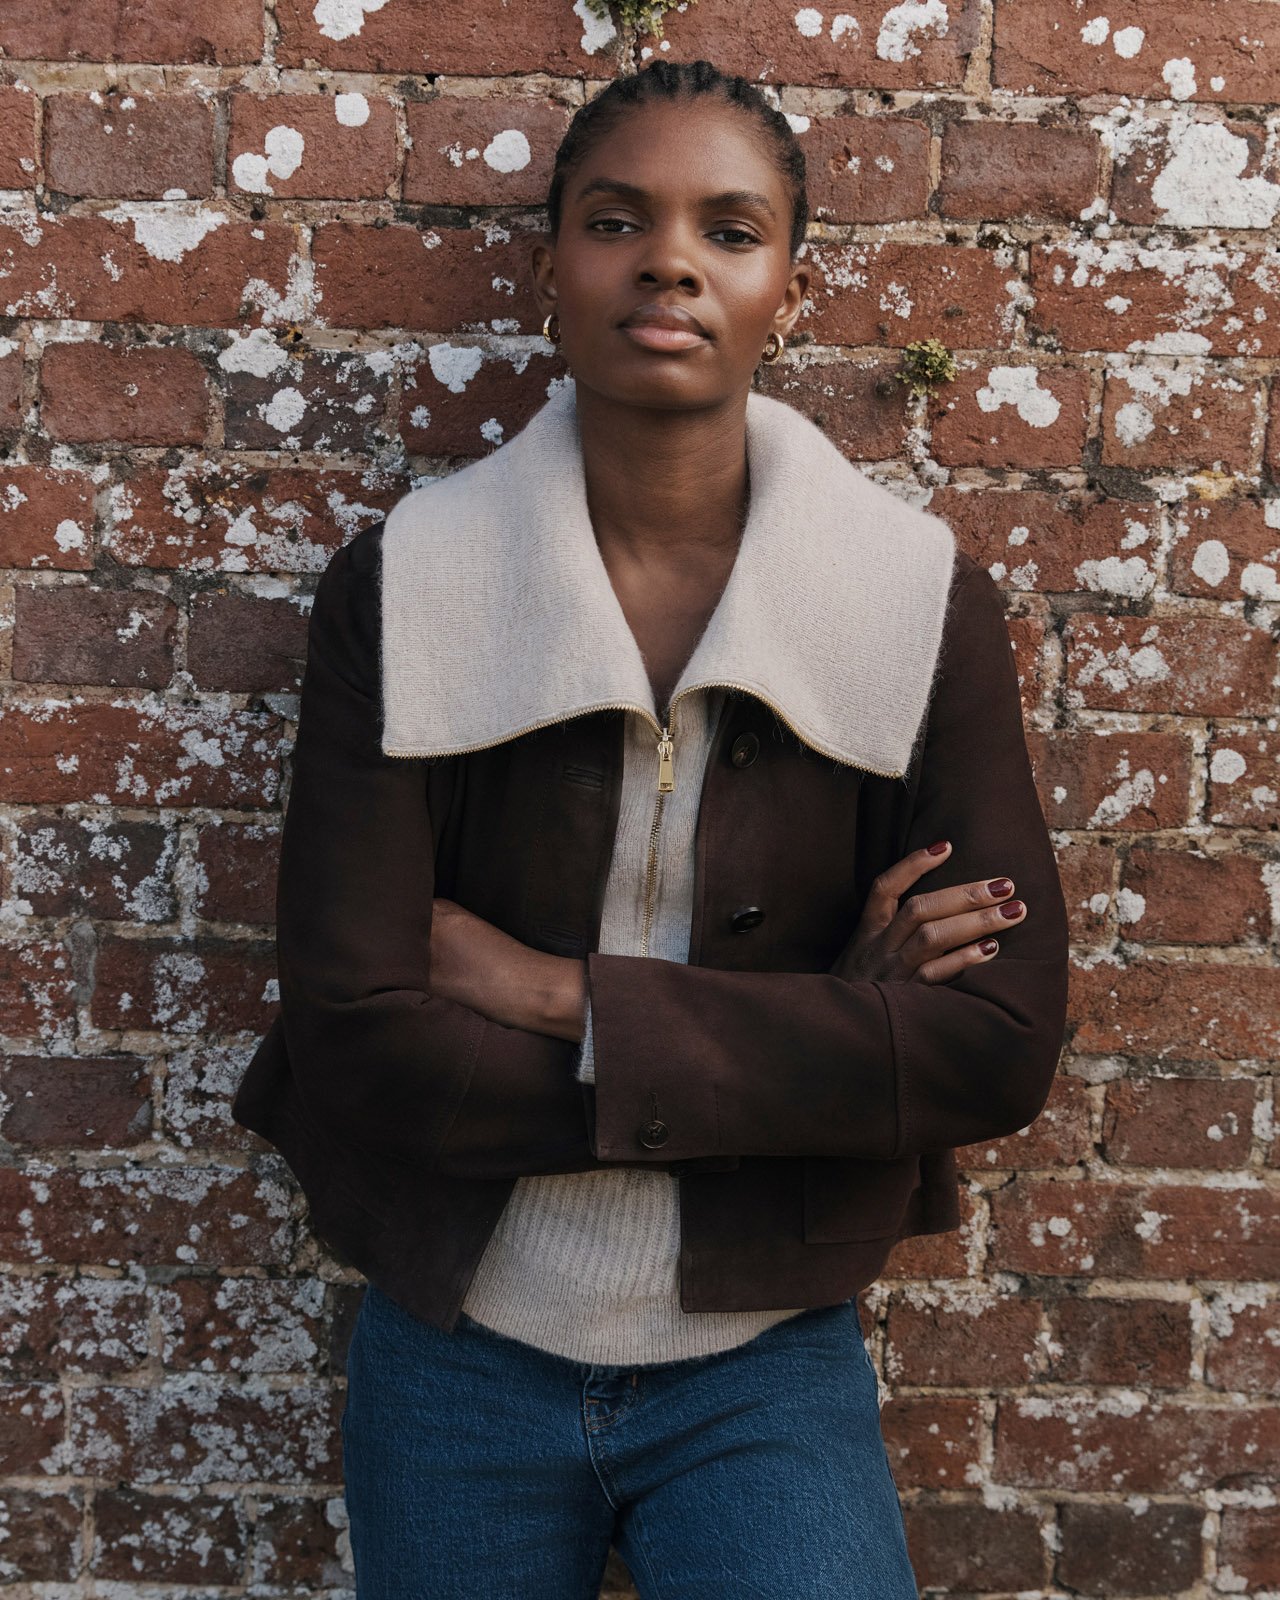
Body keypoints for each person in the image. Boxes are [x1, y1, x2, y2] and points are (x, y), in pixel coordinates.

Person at [232, 57, 1070, 1599]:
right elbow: (358, 1030)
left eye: (728, 230)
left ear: (788, 289)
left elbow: (997, 1047)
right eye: (618, 220)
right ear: (554, 265)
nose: (670, 260)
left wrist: (564, 998)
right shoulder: (409, 586)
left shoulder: (913, 604)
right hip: (460, 1337)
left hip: (764, 1354)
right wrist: (833, 1034)